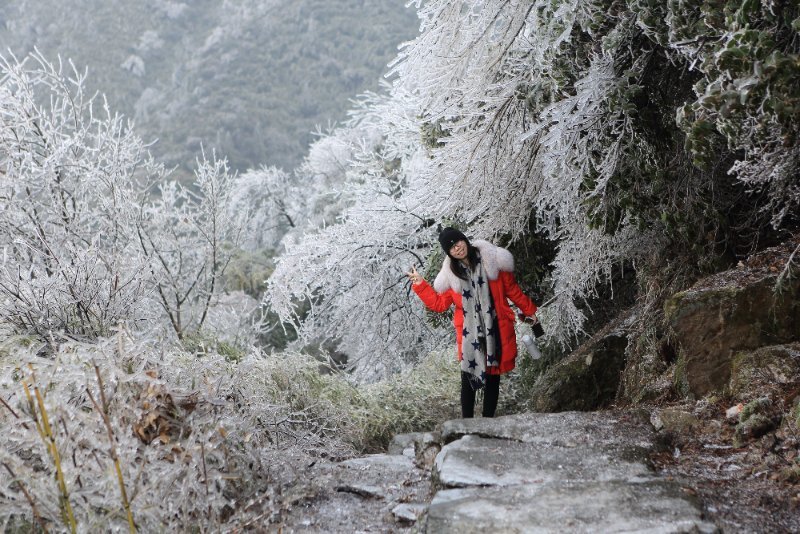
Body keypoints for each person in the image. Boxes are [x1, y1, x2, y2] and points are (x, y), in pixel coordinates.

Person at [407, 227, 538, 418]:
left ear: (464, 240)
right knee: (468, 380)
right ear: (449, 253)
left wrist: (530, 311)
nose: (457, 248)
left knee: (493, 379)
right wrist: (420, 284)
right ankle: (466, 426)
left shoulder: (492, 262)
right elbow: (439, 304)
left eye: (458, 242)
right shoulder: (451, 277)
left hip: (496, 330)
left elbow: (512, 291)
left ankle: (487, 422)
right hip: (471, 336)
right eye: (451, 248)